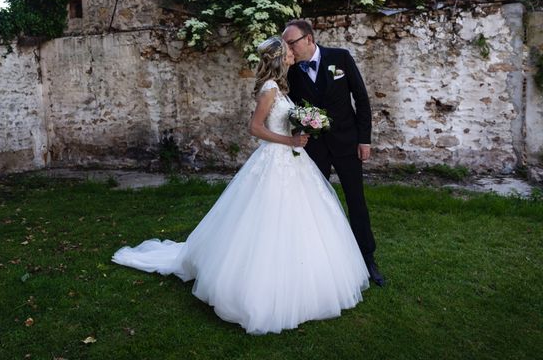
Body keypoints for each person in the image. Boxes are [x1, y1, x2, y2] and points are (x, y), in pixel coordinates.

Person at [112, 37, 369, 335]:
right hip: (275, 159)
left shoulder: (281, 87)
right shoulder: (270, 89)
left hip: (292, 160)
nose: (291, 54)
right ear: (277, 58)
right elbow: (255, 128)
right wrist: (291, 140)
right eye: (287, 51)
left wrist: (300, 127)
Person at [283, 19, 385, 286]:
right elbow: (289, 107)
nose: (288, 50)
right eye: (285, 45)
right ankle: (322, 260)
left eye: (291, 43)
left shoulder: (340, 57)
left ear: (309, 39)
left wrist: (365, 140)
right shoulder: (290, 71)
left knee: (356, 201)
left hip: (347, 143)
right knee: (317, 204)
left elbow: (361, 99)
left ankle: (367, 258)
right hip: (314, 147)